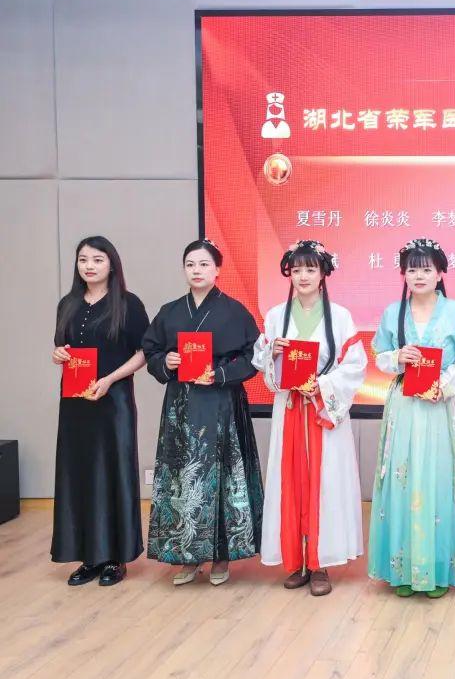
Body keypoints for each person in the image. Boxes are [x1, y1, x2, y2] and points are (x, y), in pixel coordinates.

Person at [143, 238, 263, 586]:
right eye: (190, 264)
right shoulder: (170, 311)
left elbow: (253, 356)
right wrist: (165, 361)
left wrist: (221, 373)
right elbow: (150, 350)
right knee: (183, 477)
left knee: (221, 475)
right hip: (182, 405)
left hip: (221, 402)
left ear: (217, 269)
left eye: (204, 264)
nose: (197, 271)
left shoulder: (234, 311)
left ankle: (222, 554)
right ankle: (187, 554)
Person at [367, 238, 455, 598]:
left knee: (437, 480)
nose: (419, 276)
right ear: (404, 274)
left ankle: (437, 570)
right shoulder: (393, 312)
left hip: (439, 407)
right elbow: (380, 357)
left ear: (440, 273)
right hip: (404, 405)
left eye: (426, 269)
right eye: (412, 269)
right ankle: (402, 569)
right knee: (401, 479)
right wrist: (397, 358)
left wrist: (444, 386)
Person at [253, 240, 367, 596]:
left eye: (311, 269)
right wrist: (271, 353)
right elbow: (261, 360)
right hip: (289, 408)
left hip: (320, 409)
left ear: (323, 274)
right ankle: (296, 560)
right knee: (290, 482)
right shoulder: (276, 316)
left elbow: (355, 365)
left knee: (325, 483)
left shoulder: (341, 317)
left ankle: (320, 563)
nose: (303, 276)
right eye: (297, 270)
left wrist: (322, 385)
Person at [51, 236, 149, 587]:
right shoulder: (67, 304)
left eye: (97, 259)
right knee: (77, 474)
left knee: (112, 472)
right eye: (83, 260)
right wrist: (57, 354)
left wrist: (110, 379)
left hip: (113, 401)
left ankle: (114, 559)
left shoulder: (128, 304)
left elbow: (144, 352)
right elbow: (61, 347)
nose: (89, 266)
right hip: (75, 403)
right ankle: (88, 557)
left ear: (111, 264)